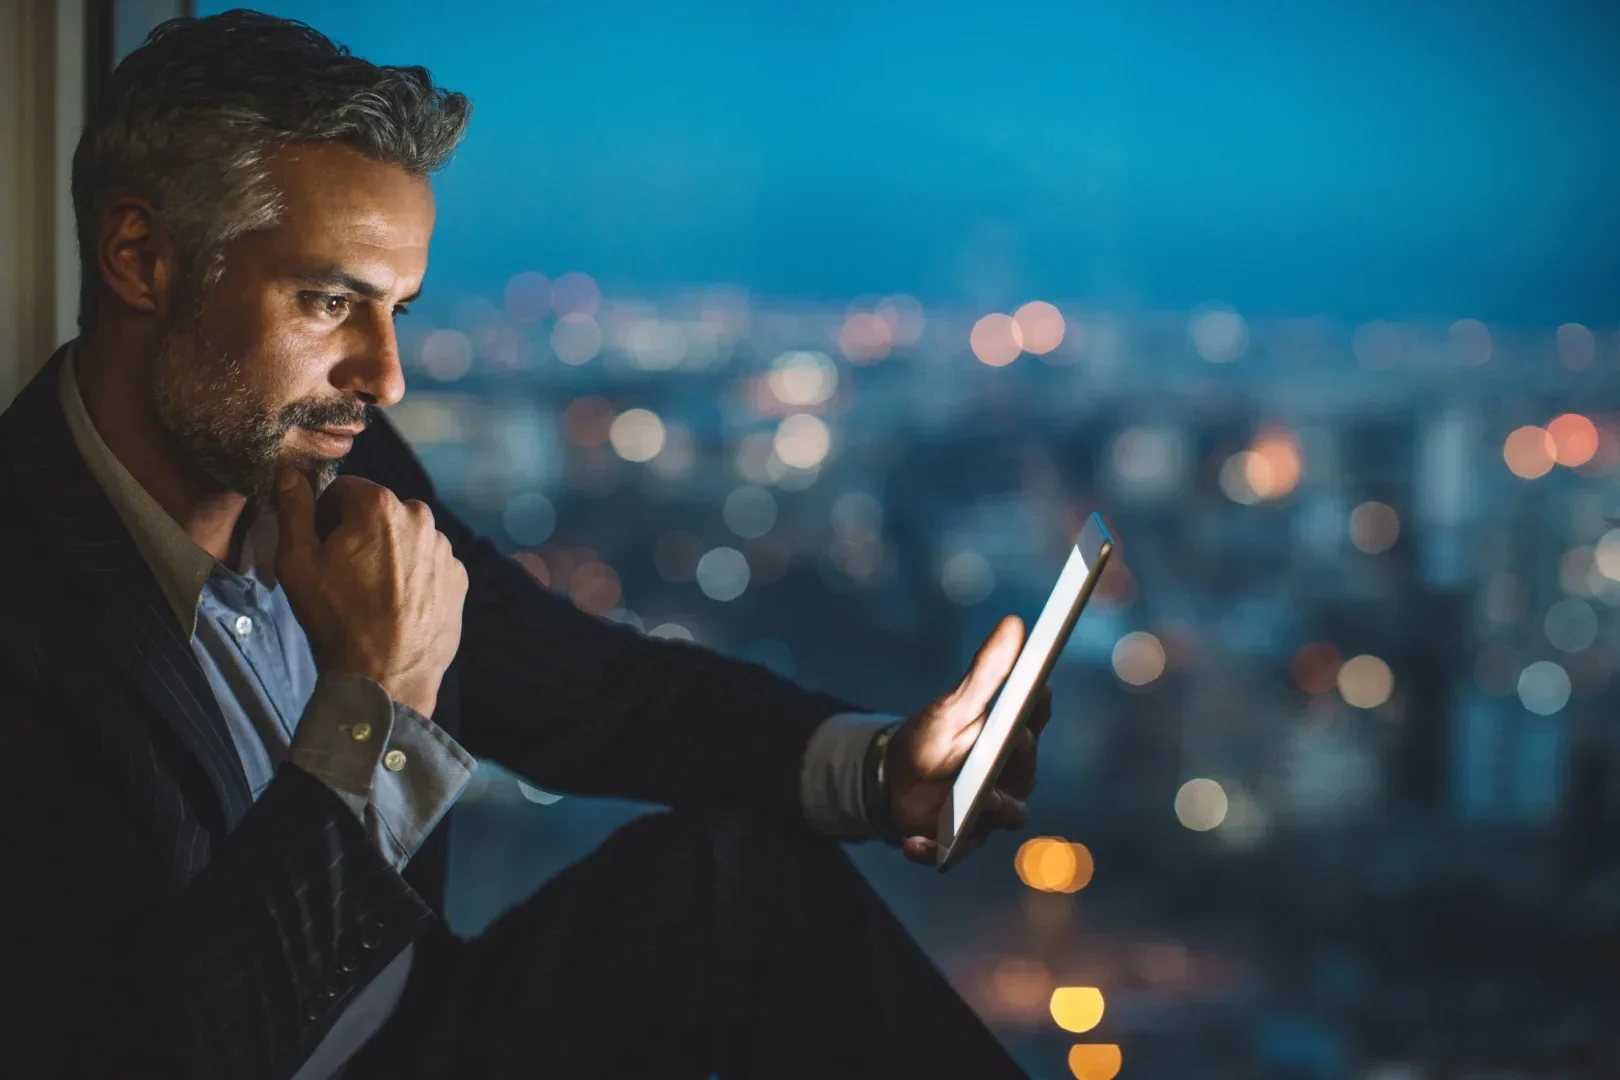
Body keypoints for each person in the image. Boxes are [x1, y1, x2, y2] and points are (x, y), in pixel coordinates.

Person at [0, 10, 1053, 1079]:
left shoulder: (338, 466)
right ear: (138, 258)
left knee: (734, 882)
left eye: (400, 308)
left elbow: (591, 693)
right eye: (329, 301)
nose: (386, 377)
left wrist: (882, 772)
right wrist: (374, 710)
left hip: (426, 1029)